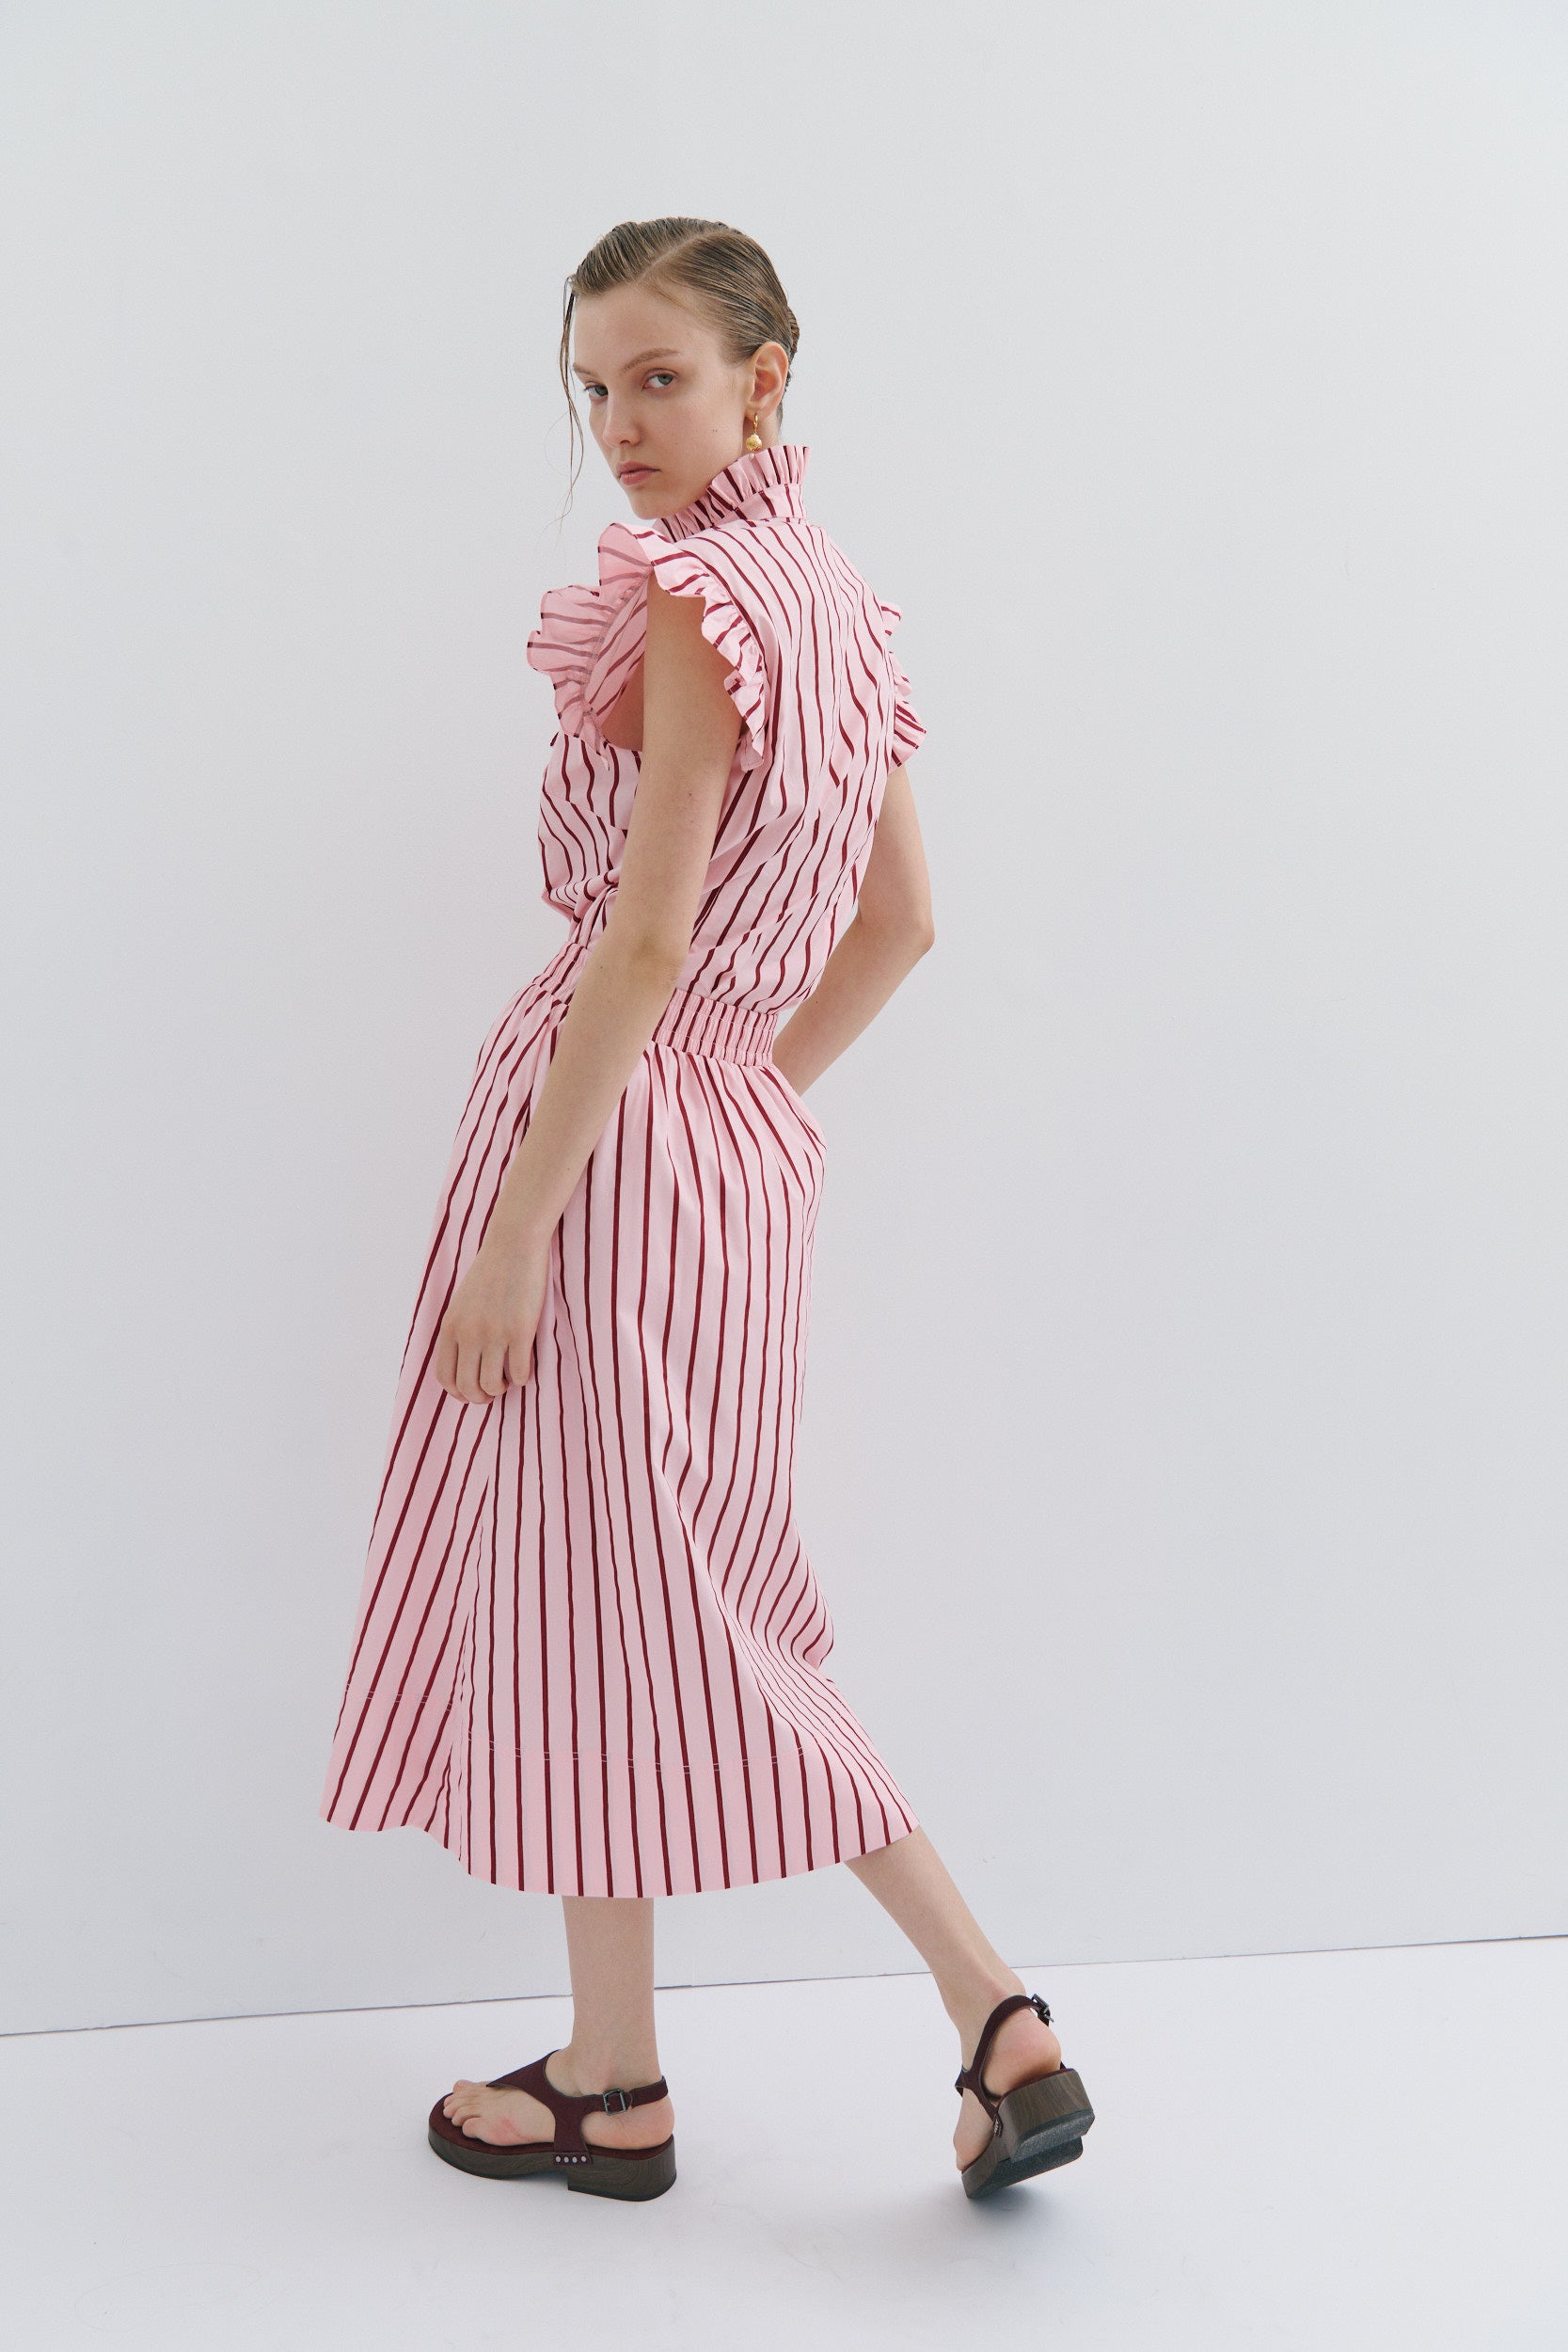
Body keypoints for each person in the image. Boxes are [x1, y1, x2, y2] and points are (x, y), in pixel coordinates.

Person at [320, 216, 1094, 2202]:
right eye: (592, 385)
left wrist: (522, 1225)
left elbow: (644, 937)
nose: (620, 423)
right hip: (727, 1153)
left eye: (658, 375)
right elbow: (905, 921)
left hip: (606, 1138)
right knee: (627, 1591)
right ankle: (612, 2071)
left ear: (768, 374)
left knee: (682, 1601)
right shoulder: (839, 603)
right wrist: (742, 1097)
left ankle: (991, 1999)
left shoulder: (690, 601)